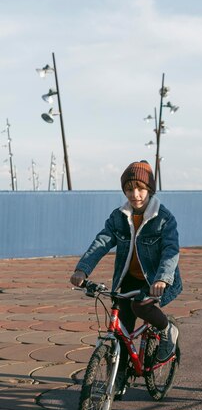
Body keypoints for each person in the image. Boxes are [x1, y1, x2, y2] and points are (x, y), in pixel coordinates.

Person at [70, 160, 182, 396]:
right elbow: (102, 241)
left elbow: (171, 250)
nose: (135, 194)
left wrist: (162, 279)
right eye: (129, 189)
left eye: (140, 188)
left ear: (150, 190)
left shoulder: (164, 218)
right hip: (128, 280)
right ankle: (118, 376)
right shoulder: (119, 216)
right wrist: (83, 269)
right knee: (122, 332)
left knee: (141, 306)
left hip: (156, 281)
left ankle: (167, 330)